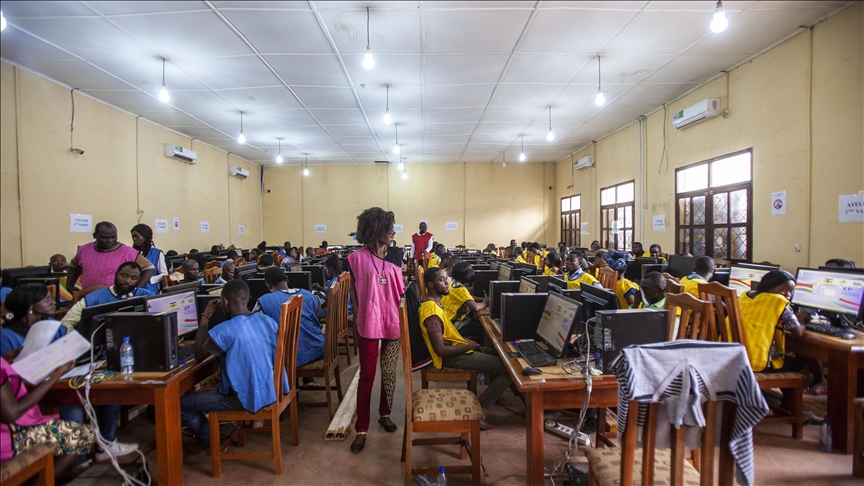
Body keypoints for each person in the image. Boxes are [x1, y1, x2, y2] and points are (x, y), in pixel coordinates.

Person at [5, 283, 138, 461]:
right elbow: (9, 378)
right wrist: (54, 374)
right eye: (47, 299)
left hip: (61, 380)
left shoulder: (52, 325)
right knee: (74, 412)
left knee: (110, 394)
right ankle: (77, 465)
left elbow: (65, 350)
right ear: (30, 306)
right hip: (35, 391)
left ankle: (106, 444)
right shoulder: (6, 337)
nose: (53, 302)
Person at [180, 280, 286, 448]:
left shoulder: (224, 331)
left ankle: (209, 440)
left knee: (182, 404)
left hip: (241, 398)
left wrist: (206, 316)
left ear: (225, 303)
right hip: (272, 388)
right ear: (249, 297)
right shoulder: (267, 321)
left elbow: (199, 355)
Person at [420, 267, 512, 429]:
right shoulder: (431, 311)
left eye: (445, 278)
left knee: (507, 356)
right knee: (510, 369)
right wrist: (468, 345)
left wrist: (467, 345)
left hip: (459, 348)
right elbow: (441, 351)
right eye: (441, 280)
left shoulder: (436, 303)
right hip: (452, 356)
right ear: (430, 285)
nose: (447, 282)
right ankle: (480, 408)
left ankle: (526, 401)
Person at [347, 207, 404, 453]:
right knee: (367, 377)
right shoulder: (356, 259)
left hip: (393, 321)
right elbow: (353, 290)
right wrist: (358, 316)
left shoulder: (396, 256)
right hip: (368, 323)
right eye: (387, 229)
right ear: (375, 230)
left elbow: (400, 291)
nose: (392, 233)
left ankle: (385, 413)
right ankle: (361, 429)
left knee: (389, 374)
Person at [1, 357, 94, 479]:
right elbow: (12, 413)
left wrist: (7, 359)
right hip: (9, 439)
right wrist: (55, 376)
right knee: (84, 435)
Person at [254, 268, 323, 367]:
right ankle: (307, 379)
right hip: (318, 348)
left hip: (291, 357)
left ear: (268, 285)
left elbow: (255, 328)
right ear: (287, 280)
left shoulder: (264, 301)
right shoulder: (307, 294)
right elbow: (316, 319)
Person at [61, 262, 154, 332]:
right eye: (123, 276)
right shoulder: (95, 297)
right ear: (116, 274)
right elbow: (66, 322)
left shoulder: (147, 296)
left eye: (133, 278)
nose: (127, 281)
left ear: (138, 280)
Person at [66, 221, 154, 292]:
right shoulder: (84, 250)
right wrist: (69, 285)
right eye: (105, 238)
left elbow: (149, 267)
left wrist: (136, 289)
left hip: (114, 298)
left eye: (113, 237)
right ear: (95, 236)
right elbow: (74, 266)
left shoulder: (127, 251)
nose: (110, 240)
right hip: (87, 298)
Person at [440, 262, 488, 340]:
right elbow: (475, 307)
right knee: (482, 329)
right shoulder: (460, 289)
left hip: (448, 319)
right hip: (452, 324)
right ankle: (481, 348)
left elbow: (467, 297)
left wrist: (480, 299)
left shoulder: (454, 283)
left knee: (478, 322)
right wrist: (485, 302)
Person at [131, 223, 168, 295]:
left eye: (137, 237)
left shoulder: (157, 253)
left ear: (145, 237)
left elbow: (164, 273)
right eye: (133, 237)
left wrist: (150, 279)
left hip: (150, 288)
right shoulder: (132, 253)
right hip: (134, 288)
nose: (134, 239)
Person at [312, 254, 352, 320]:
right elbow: (334, 293)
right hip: (346, 309)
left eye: (326, 269)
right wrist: (321, 289)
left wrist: (321, 296)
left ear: (331, 269)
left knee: (313, 313)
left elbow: (335, 300)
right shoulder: (340, 278)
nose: (326, 271)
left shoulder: (334, 282)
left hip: (337, 311)